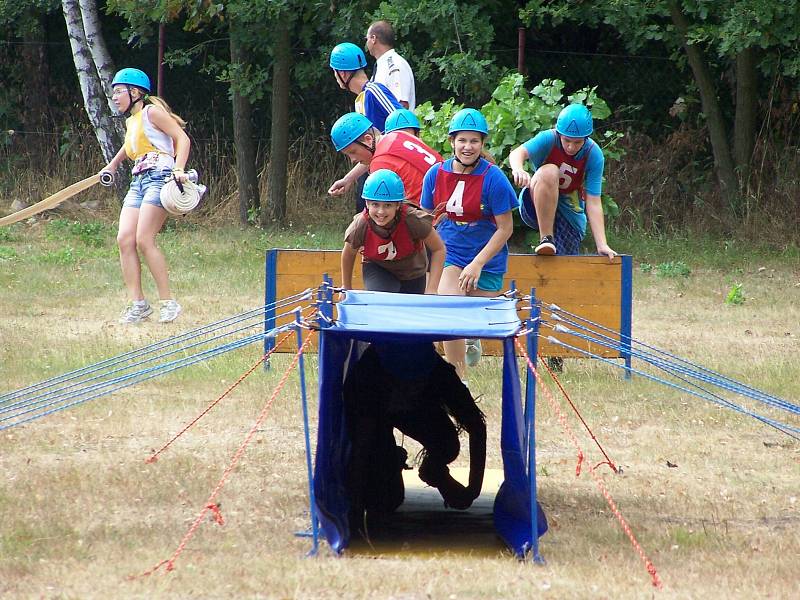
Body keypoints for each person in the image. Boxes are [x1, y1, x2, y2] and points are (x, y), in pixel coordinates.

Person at [343, 339, 486, 531]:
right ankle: (391, 458)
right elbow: (361, 448)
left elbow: (477, 426)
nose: (408, 388)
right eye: (402, 384)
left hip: (418, 408)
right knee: (387, 500)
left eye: (415, 383)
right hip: (378, 412)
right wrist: (355, 511)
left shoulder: (439, 373)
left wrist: (472, 491)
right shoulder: (367, 377)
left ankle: (431, 469)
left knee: (448, 446)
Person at [420, 108, 518, 382]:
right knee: (451, 308)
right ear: (452, 142)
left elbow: (506, 228)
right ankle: (457, 379)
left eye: (474, 141)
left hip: (486, 256)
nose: (468, 146)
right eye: (462, 140)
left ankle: (471, 334)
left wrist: (478, 263)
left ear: (482, 144)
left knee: (474, 318)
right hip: (451, 250)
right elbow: (427, 221)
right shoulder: (434, 174)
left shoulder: (494, 177)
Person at [99, 68, 190, 324]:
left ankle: (168, 302)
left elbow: (182, 138)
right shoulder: (132, 121)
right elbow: (129, 148)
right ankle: (139, 305)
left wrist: (179, 169)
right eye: (113, 92)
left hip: (159, 178)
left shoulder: (152, 112)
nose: (115, 97)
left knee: (144, 239)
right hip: (139, 181)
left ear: (135, 92)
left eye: (119, 91)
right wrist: (113, 165)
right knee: (124, 239)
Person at [508, 103, 616, 260]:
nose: (571, 147)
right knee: (549, 171)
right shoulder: (548, 138)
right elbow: (518, 153)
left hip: (568, 210)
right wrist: (518, 169)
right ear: (559, 134)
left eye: (577, 142)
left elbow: (593, 201)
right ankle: (546, 239)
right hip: (536, 202)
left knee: (566, 265)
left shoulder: (594, 154)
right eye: (567, 141)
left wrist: (602, 244)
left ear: (586, 139)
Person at [341, 168, 444, 294]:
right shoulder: (360, 226)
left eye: (388, 205)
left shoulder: (414, 220)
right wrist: (346, 287)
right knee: (382, 300)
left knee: (410, 309)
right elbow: (348, 254)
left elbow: (439, 249)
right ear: (367, 204)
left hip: (413, 271)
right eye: (375, 204)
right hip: (378, 267)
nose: (381, 212)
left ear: (398, 205)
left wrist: (432, 288)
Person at [328, 110, 442, 207]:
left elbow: (383, 208)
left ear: (368, 140)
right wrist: (348, 179)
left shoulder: (380, 163)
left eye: (353, 152)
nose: (352, 159)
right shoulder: (398, 135)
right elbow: (378, 159)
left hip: (433, 216)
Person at [330, 42, 402, 134]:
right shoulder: (361, 100)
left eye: (335, 71)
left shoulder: (373, 91)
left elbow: (404, 121)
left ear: (342, 73)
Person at [365, 20, 416, 110]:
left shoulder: (394, 65)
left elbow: (401, 105)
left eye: (367, 39)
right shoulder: (382, 65)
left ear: (373, 38)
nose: (366, 43)